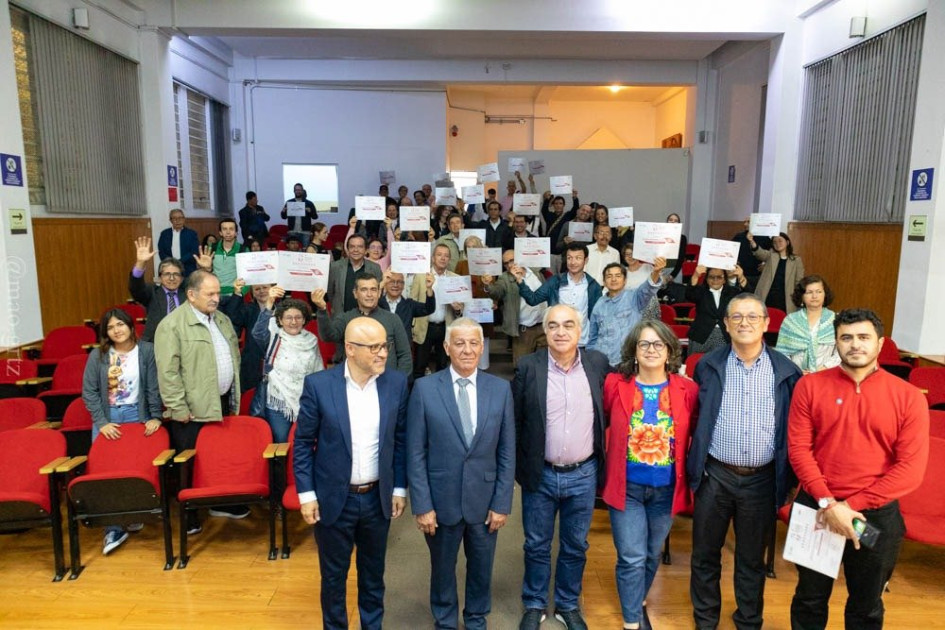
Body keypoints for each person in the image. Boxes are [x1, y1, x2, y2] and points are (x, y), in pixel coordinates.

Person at [787, 308, 929, 630]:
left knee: (867, 603)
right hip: (817, 509)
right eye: (846, 337)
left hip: (872, 518)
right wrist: (829, 504)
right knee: (809, 598)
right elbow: (799, 451)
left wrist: (848, 508)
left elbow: (910, 469)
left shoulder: (908, 397)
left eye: (864, 337)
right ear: (835, 342)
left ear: (880, 343)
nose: (855, 344)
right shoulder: (809, 386)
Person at [687, 293, 802, 630]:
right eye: (736, 317)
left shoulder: (787, 371)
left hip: (762, 480)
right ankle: (705, 620)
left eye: (752, 317)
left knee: (752, 559)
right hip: (715, 475)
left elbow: (794, 429)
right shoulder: (708, 365)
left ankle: (748, 621)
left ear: (766, 324)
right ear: (726, 324)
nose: (744, 323)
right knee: (705, 554)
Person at [293, 317, 409, 630]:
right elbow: (303, 444)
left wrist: (399, 487)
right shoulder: (319, 385)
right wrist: (307, 495)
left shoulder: (396, 384)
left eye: (384, 346)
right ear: (350, 349)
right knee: (333, 578)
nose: (382, 353)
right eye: (374, 347)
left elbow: (400, 440)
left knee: (373, 576)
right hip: (334, 500)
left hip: (377, 500)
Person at [407, 318, 515, 630]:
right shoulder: (425, 389)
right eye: (459, 343)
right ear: (446, 347)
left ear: (482, 348)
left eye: (473, 343)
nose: (467, 350)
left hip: (485, 501)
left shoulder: (500, 389)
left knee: (482, 567)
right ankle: (445, 620)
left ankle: (476, 618)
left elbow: (507, 451)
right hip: (441, 503)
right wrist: (422, 505)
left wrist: (502, 503)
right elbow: (415, 452)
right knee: (442, 569)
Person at [512, 304, 612, 630]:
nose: (561, 332)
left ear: (579, 330)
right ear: (545, 331)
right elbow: (515, 421)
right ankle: (535, 603)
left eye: (568, 325)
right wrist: (519, 469)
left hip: (584, 474)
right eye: (553, 325)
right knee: (536, 545)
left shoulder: (598, 364)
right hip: (540, 474)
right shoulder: (528, 367)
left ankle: (567, 604)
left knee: (575, 545)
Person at [602, 320, 698, 630]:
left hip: (667, 490)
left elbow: (695, 432)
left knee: (651, 553)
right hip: (626, 488)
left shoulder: (687, 389)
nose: (651, 350)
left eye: (659, 344)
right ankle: (632, 621)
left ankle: (637, 599)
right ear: (634, 350)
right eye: (644, 344)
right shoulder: (614, 385)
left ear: (670, 350)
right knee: (631, 556)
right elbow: (602, 421)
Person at [154, 270, 244, 530]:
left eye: (218, 293)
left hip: (222, 402)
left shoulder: (222, 319)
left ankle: (219, 502)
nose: (216, 298)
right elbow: (168, 372)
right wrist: (178, 407)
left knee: (219, 458)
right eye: (210, 293)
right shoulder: (171, 325)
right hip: (191, 410)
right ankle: (189, 516)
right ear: (191, 295)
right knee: (190, 463)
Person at [81, 308, 163, 555]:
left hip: (136, 414)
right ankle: (113, 528)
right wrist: (101, 421)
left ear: (130, 326)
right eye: (110, 327)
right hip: (108, 418)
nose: (116, 330)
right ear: (105, 332)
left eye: (120, 324)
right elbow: (89, 392)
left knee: (135, 470)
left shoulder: (146, 350)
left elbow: (153, 386)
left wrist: (155, 416)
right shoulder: (98, 355)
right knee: (106, 473)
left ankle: (133, 513)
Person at [251, 287, 324, 442]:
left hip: (305, 401)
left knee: (304, 442)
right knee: (282, 444)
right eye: (288, 318)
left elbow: (318, 371)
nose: (293, 322)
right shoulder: (274, 337)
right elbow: (257, 332)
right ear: (280, 320)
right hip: (278, 402)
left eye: (298, 317)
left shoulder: (312, 340)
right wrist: (269, 302)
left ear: (304, 319)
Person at [313, 273, 412, 377]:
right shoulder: (345, 318)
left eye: (373, 290)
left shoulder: (393, 319)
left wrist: (398, 380)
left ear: (379, 293)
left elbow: (405, 355)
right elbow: (328, 336)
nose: (369, 294)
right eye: (364, 290)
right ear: (355, 293)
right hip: (354, 382)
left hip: (386, 381)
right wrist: (322, 309)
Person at [515, 243, 602, 349]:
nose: (573, 262)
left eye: (578, 258)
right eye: (569, 258)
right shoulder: (555, 281)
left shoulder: (593, 285)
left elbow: (597, 317)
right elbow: (533, 299)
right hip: (559, 341)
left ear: (586, 260)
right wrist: (520, 281)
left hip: (583, 341)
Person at [587, 259, 666, 366]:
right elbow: (593, 337)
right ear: (604, 282)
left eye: (618, 276)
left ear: (625, 280)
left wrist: (656, 272)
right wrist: (591, 359)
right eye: (609, 276)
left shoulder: (634, 297)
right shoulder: (599, 304)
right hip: (602, 362)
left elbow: (648, 288)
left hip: (626, 362)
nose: (613, 279)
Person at [481, 249, 547, 367]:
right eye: (506, 263)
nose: (510, 265)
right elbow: (497, 292)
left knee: (545, 365)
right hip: (524, 330)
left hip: (543, 327)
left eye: (512, 260)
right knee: (522, 366)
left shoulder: (536, 272)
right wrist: (488, 285)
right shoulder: (505, 278)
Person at [411, 243, 463, 379]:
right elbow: (413, 302)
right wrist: (413, 326)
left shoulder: (455, 279)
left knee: (443, 366)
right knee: (419, 366)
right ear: (433, 258)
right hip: (424, 327)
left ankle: (440, 391)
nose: (443, 258)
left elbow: (461, 310)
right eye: (439, 255)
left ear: (449, 259)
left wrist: (457, 309)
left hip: (445, 328)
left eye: (446, 256)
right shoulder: (421, 276)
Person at [775, 275, 841, 373]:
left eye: (819, 292)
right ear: (802, 296)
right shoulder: (791, 321)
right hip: (795, 375)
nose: (814, 296)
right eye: (809, 292)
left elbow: (840, 353)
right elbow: (782, 353)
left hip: (826, 374)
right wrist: (797, 372)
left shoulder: (835, 320)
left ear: (825, 294)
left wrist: (822, 369)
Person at [128, 236, 188, 342]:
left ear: (182, 278)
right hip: (156, 342)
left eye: (176, 274)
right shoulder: (152, 292)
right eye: (167, 274)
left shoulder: (189, 294)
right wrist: (140, 263)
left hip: (184, 341)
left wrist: (206, 269)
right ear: (160, 278)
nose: (172, 278)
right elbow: (136, 288)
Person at [220, 279, 272, 393]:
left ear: (272, 289)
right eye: (257, 289)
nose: (261, 291)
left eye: (265, 287)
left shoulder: (283, 309)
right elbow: (233, 317)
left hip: (276, 359)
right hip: (252, 362)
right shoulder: (249, 309)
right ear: (252, 293)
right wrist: (237, 293)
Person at [686, 264, 750, 355]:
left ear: (724, 279)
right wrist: (696, 275)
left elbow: (748, 297)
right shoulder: (701, 291)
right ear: (706, 279)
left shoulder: (732, 292)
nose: (715, 280)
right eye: (711, 277)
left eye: (719, 277)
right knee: (697, 362)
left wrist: (741, 276)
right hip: (700, 336)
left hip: (724, 335)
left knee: (722, 362)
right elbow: (689, 294)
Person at [747, 230, 805, 313]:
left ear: (787, 242)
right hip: (768, 295)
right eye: (774, 242)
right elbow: (760, 253)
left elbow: (799, 280)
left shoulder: (796, 260)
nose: (777, 243)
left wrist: (800, 297)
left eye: (780, 241)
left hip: (786, 297)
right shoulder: (771, 255)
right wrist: (752, 241)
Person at [325, 233, 382, 316]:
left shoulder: (375, 268)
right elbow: (330, 292)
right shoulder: (335, 267)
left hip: (367, 317)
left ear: (366, 250)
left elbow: (378, 293)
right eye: (352, 246)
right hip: (340, 316)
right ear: (347, 249)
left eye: (360, 247)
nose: (356, 250)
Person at [379, 269, 436, 340]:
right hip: (381, 344)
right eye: (391, 281)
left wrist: (429, 288)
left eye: (399, 282)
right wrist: (381, 284)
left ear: (403, 286)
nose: (395, 285)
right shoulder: (377, 304)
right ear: (385, 284)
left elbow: (429, 309)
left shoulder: (409, 305)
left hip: (403, 345)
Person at [206, 218, 244, 296]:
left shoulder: (243, 249)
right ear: (220, 232)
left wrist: (240, 293)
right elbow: (205, 273)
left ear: (236, 233)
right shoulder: (212, 248)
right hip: (215, 294)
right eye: (224, 229)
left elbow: (248, 275)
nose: (228, 232)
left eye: (231, 229)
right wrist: (205, 268)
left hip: (235, 294)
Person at [158, 209, 200, 277]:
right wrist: (172, 263)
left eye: (180, 218)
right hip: (170, 268)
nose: (177, 221)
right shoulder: (164, 234)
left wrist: (179, 262)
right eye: (174, 218)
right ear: (170, 220)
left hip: (188, 269)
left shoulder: (192, 233)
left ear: (184, 219)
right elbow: (161, 252)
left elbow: (194, 251)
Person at [732, 217, 770, 286]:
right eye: (744, 222)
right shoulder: (738, 236)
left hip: (758, 275)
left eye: (748, 222)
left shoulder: (764, 238)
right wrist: (734, 260)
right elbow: (731, 250)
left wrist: (766, 265)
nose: (745, 224)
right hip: (741, 274)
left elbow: (772, 255)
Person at [585, 223, 621, 288]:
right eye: (601, 233)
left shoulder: (615, 253)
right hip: (586, 287)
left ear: (611, 237)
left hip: (606, 289)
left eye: (607, 233)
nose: (604, 236)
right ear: (595, 236)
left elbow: (616, 273)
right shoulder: (587, 249)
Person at [665, 213, 688, 281]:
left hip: (676, 270)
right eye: (670, 220)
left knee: (676, 288)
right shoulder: (661, 235)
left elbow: (681, 258)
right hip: (661, 269)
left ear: (679, 224)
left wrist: (673, 275)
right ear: (667, 222)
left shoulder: (682, 238)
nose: (673, 222)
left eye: (676, 220)